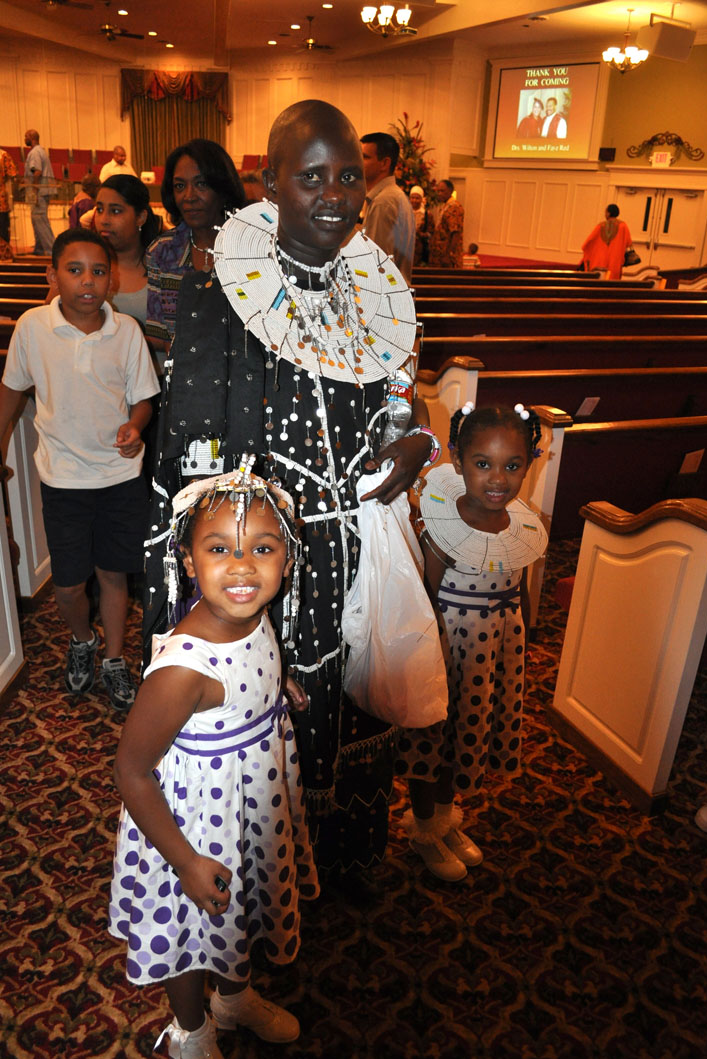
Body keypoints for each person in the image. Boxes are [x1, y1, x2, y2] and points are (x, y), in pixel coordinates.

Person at [143, 99, 435, 883]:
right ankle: (278, 878)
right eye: (312, 178)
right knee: (281, 715)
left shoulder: (375, 296)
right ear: (271, 182)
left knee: (362, 699)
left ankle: (352, 853)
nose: (336, 194)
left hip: (360, 545)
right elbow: (188, 476)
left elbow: (402, 405)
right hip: (266, 567)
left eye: (347, 175)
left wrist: (414, 441)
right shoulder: (219, 302)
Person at [110, 464, 318, 1059]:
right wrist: (185, 860)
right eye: (220, 549)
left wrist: (279, 692)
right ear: (189, 558)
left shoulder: (251, 613)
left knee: (237, 915)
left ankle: (232, 999)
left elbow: (249, 678)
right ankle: (191, 1030)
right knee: (189, 938)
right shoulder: (183, 669)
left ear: (286, 555)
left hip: (248, 802)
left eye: (262, 548)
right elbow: (130, 771)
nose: (243, 567)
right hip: (190, 827)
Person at [0, 229, 159, 710]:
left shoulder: (126, 331)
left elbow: (143, 399)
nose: (87, 281)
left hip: (118, 477)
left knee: (113, 574)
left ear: (111, 280)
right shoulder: (33, 327)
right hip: (63, 478)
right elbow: (11, 393)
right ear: (53, 275)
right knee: (68, 584)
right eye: (74, 270)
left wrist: (134, 427)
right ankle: (82, 639)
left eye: (98, 271)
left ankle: (112, 658)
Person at [395, 402, 548, 881]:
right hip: (447, 652)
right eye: (483, 464)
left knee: (467, 737)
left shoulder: (520, 527)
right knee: (434, 743)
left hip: (493, 653)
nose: (497, 479)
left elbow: (519, 589)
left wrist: (520, 644)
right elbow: (423, 602)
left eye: (512, 465)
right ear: (459, 461)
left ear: (529, 463)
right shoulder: (444, 530)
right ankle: (424, 828)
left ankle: (444, 819)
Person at [145, 139, 245, 350]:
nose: (189, 196)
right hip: (184, 377)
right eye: (180, 186)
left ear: (222, 188)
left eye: (201, 184)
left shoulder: (251, 248)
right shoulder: (162, 252)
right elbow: (160, 337)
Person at [94, 174, 162, 327]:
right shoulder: (83, 264)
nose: (104, 220)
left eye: (115, 211)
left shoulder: (164, 268)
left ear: (141, 217)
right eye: (99, 209)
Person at [360, 131, 415, 282]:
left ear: (384, 163)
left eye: (365, 157)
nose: (357, 161)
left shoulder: (384, 202)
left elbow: (378, 265)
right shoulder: (394, 195)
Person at [23, 129, 55, 256]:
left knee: (41, 220)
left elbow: (37, 171)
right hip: (43, 190)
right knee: (37, 220)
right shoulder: (41, 151)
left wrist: (34, 190)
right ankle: (40, 249)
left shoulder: (35, 152)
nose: (25, 138)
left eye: (26, 136)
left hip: (39, 191)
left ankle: (51, 250)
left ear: (32, 137)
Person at [581, 203, 632, 281]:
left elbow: (588, 243)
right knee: (612, 284)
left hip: (600, 262)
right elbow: (628, 242)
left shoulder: (600, 226)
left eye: (605, 212)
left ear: (608, 213)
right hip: (615, 262)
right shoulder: (623, 226)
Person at [429, 178, 464, 269]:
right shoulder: (446, 206)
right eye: (438, 191)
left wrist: (449, 254)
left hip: (447, 257)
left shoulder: (454, 207)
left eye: (442, 191)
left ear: (450, 191)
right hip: (440, 255)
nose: (439, 193)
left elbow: (455, 232)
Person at [0, 146, 18, 258]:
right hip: (1, 201)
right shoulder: (3, 155)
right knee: (2, 228)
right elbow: (12, 174)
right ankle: (4, 254)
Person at [409, 183, 431, 266]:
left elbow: (431, 232)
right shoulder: (405, 212)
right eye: (412, 198)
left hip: (420, 250)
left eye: (417, 198)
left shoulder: (427, 214)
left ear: (421, 199)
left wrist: (422, 234)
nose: (414, 200)